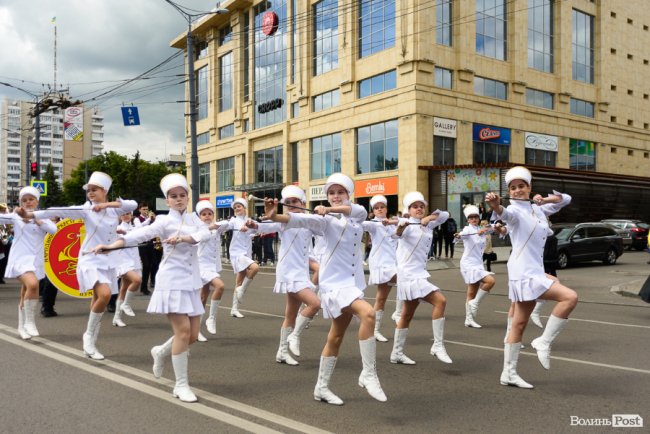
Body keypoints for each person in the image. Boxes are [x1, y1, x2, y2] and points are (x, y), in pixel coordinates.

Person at [264, 173, 386, 405]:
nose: (336, 196)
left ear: (349, 194)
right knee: (368, 314)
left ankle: (321, 387)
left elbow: (356, 211)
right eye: (332, 193)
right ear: (327, 196)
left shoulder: (357, 215)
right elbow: (297, 220)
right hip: (334, 286)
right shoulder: (323, 221)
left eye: (340, 192)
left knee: (336, 336)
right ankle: (368, 374)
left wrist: (329, 210)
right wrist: (274, 214)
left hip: (352, 284)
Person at [93, 173, 210, 402]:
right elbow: (138, 234)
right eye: (173, 196)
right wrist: (111, 245)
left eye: (182, 195)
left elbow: (204, 234)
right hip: (171, 281)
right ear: (167, 200)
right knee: (183, 332)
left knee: (193, 335)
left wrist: (184, 239)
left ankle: (160, 351)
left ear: (188, 197)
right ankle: (181, 385)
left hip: (191, 282)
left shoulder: (196, 220)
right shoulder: (165, 221)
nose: (178, 199)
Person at [19, 172, 137, 359]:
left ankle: (91, 343)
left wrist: (106, 205)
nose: (90, 193)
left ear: (104, 191)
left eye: (94, 190)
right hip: (90, 259)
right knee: (105, 295)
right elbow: (56, 211)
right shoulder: (85, 210)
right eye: (88, 190)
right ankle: (88, 337)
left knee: (98, 298)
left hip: (109, 260)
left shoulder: (115, 210)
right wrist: (30, 214)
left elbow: (133, 204)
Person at [486, 166, 577, 389]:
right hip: (523, 271)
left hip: (533, 269)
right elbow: (502, 213)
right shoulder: (514, 212)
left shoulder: (538, 210)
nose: (517, 190)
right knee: (569, 297)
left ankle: (508, 373)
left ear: (529, 187)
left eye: (521, 186)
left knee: (519, 322)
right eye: (513, 188)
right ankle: (543, 342)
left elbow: (566, 199)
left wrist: (544, 200)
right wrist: (495, 204)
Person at [248, 186, 321, 366]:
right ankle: (294, 336)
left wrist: (325, 213)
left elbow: (323, 228)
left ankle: (281, 352)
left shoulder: (309, 221)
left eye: (295, 202)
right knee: (315, 303)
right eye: (287, 203)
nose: (291, 205)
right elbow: (267, 223)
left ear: (303, 203)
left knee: (290, 314)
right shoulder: (283, 221)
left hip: (301, 272)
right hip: (289, 272)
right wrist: (255, 224)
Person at [389, 192, 452, 366]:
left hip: (419, 273)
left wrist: (430, 217)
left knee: (406, 315)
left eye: (421, 206)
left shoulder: (428, 225)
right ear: (408, 209)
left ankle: (396, 353)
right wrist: (401, 226)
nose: (419, 209)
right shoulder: (407, 225)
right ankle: (438, 345)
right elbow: (396, 235)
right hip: (409, 275)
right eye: (415, 206)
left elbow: (446, 215)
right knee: (440, 301)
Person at [1, 187, 57, 339]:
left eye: (31, 199)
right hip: (20, 258)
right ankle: (30, 322)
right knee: (33, 285)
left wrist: (35, 219)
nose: (28, 202)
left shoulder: (43, 217)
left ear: (37, 201)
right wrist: (19, 216)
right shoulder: (15, 216)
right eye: (24, 200)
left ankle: (21, 326)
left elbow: (54, 231)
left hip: (35, 261)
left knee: (26, 292)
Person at [361, 195, 398, 342]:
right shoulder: (373, 224)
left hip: (392, 262)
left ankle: (375, 330)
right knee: (403, 280)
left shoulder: (392, 223)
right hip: (380, 262)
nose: (379, 209)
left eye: (382, 207)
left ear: (386, 208)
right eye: (376, 208)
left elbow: (399, 233)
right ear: (373, 211)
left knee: (381, 298)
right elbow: (363, 224)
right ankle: (399, 313)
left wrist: (394, 222)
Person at [456, 206, 495, 329]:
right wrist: (458, 235)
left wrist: (488, 228)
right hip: (468, 264)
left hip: (478, 264)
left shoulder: (482, 229)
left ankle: (469, 319)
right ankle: (475, 304)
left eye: (475, 217)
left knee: (471, 292)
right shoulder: (468, 230)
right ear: (467, 220)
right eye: (471, 217)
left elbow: (495, 228)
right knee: (490, 281)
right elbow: (460, 235)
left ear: (479, 218)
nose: (473, 219)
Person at [195, 200, 228, 337]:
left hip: (212, 266)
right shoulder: (198, 229)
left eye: (210, 213)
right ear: (199, 217)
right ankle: (211, 318)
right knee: (220, 286)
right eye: (204, 214)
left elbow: (227, 223)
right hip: (201, 265)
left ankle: (196, 330)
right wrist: (210, 228)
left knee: (203, 296)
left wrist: (217, 225)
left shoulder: (216, 227)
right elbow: (198, 236)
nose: (207, 216)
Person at [223, 198, 260, 318]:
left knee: (239, 281)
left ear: (244, 207)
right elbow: (226, 225)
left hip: (247, 252)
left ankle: (234, 309)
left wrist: (254, 233)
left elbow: (256, 229)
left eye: (239, 206)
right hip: (237, 252)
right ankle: (241, 290)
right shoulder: (233, 221)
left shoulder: (249, 220)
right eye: (235, 207)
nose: (237, 209)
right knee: (254, 268)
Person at [112, 211, 143, 327]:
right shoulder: (118, 228)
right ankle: (126, 304)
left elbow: (141, 238)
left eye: (128, 213)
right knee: (137, 280)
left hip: (134, 261)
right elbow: (122, 240)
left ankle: (116, 318)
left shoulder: (135, 227)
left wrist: (138, 225)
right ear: (120, 216)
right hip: (123, 261)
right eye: (123, 213)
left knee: (124, 289)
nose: (126, 215)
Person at [134, 203, 155, 295]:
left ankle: (145, 287)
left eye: (147, 209)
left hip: (150, 243)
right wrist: (149, 220)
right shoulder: (137, 219)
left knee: (151, 265)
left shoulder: (150, 219)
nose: (146, 211)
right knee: (145, 265)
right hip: (142, 244)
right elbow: (139, 227)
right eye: (143, 209)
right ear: (139, 210)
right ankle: (143, 287)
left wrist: (154, 220)